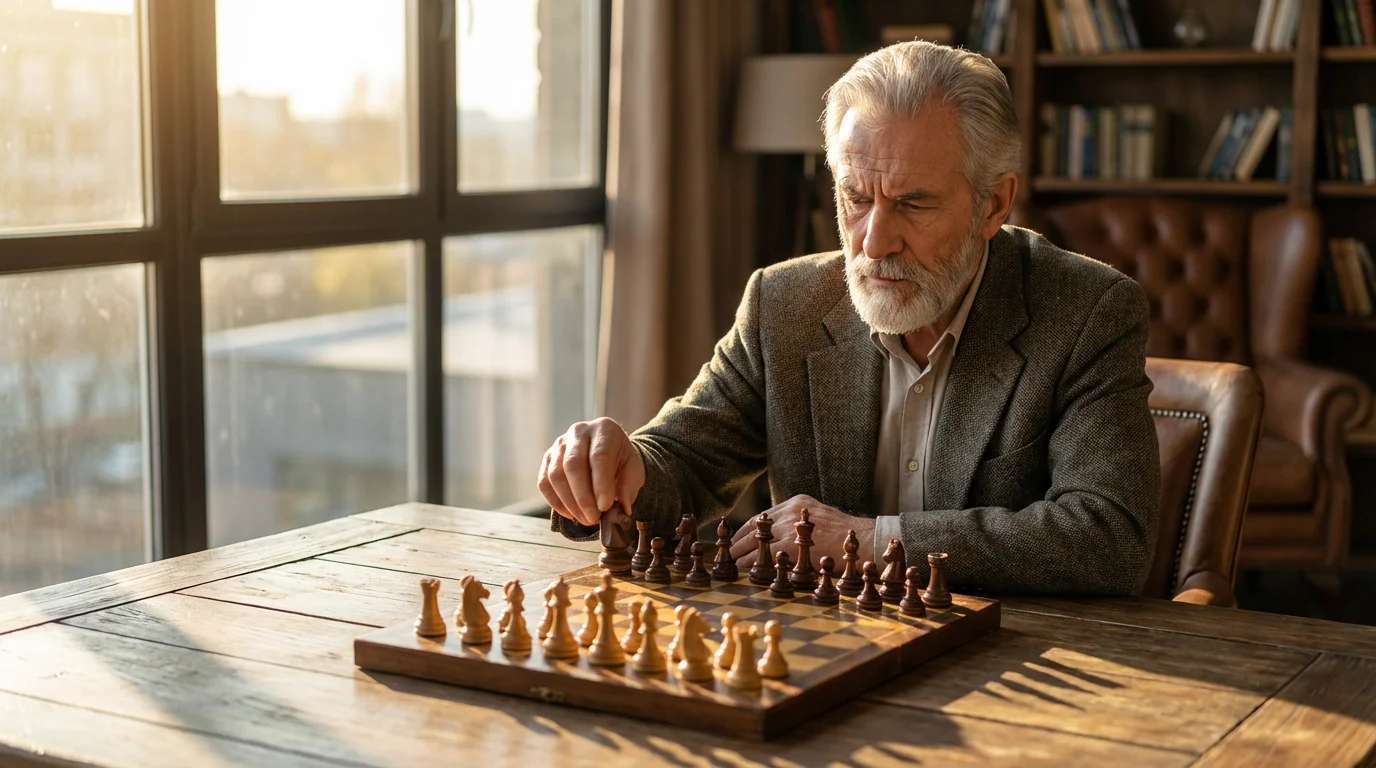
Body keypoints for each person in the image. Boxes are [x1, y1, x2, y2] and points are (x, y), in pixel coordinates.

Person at [537, 41, 1159, 595]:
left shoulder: (1087, 311)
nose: (873, 241)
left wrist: (871, 539)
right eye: (855, 199)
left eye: (913, 203)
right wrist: (620, 467)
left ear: (994, 203)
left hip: (1023, 667)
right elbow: (686, 463)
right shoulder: (783, 304)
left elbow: (1108, 537)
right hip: (825, 662)